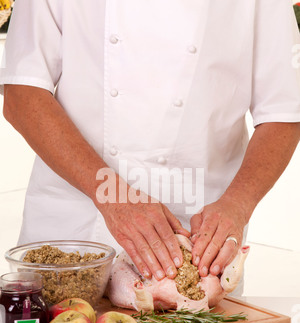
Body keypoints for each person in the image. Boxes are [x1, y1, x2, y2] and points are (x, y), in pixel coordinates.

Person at [0, 0, 299, 295]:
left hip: (194, 247)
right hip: (74, 235)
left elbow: (284, 113)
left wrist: (238, 204)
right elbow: (23, 95)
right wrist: (115, 197)